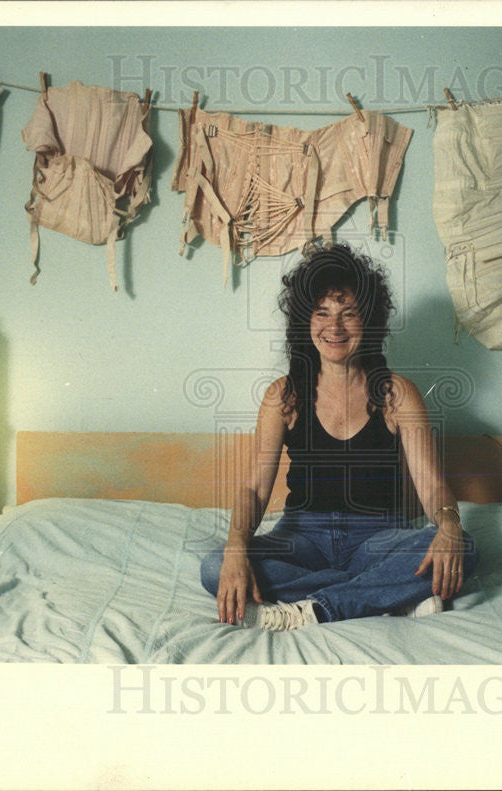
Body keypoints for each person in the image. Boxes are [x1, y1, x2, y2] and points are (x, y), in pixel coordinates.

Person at [200, 243, 479, 630]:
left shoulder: (397, 395)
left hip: (378, 538)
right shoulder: (284, 395)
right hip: (303, 538)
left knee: (465, 546)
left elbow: (432, 489)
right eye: (322, 314)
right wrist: (235, 545)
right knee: (214, 567)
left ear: (369, 322)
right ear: (304, 321)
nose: (334, 328)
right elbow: (254, 490)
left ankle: (316, 607)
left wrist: (449, 526)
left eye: (349, 314)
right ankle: (383, 596)